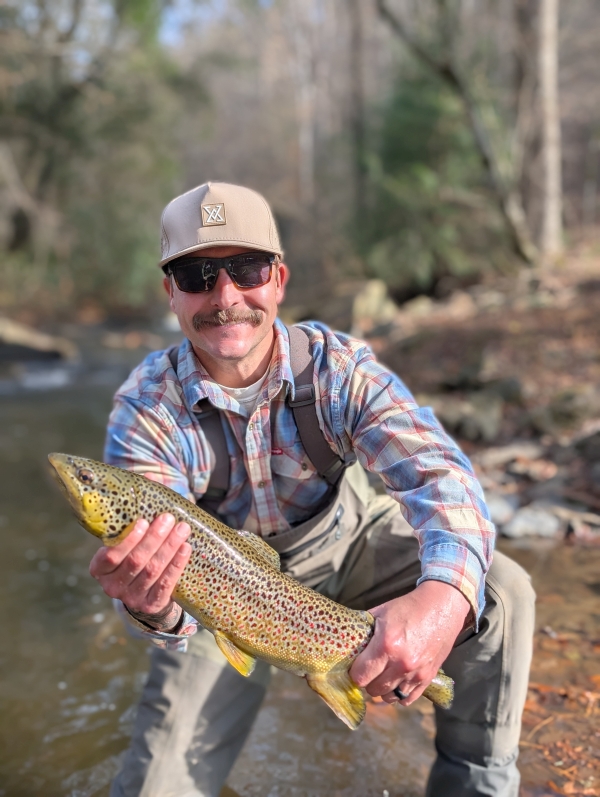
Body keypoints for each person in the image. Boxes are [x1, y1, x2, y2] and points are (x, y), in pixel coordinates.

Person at [91, 182, 535, 797]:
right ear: (171, 293)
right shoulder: (146, 410)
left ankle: (475, 782)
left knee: (499, 593)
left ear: (278, 280)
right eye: (197, 276)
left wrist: (440, 602)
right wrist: (153, 607)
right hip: (217, 592)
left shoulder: (338, 370)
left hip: (348, 547)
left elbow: (442, 478)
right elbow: (158, 581)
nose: (226, 297)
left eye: (247, 269)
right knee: (154, 788)